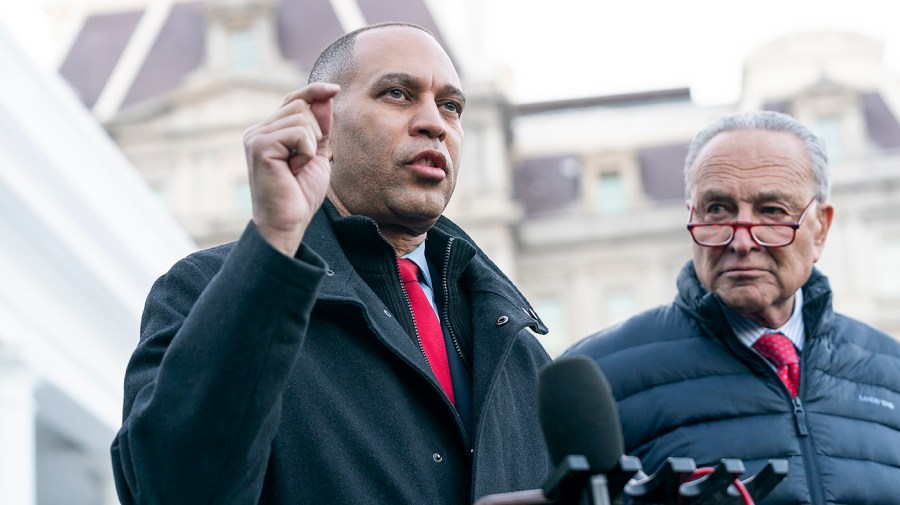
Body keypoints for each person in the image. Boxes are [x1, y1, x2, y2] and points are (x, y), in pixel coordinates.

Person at [110, 22, 552, 504]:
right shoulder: (202, 292)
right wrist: (275, 239)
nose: (435, 123)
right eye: (398, 94)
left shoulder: (516, 345)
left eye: (451, 106)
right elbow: (171, 490)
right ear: (324, 128)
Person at [566, 110, 900, 504]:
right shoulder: (597, 380)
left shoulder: (891, 372)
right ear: (691, 218)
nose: (741, 241)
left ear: (821, 229)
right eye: (718, 209)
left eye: (773, 211)